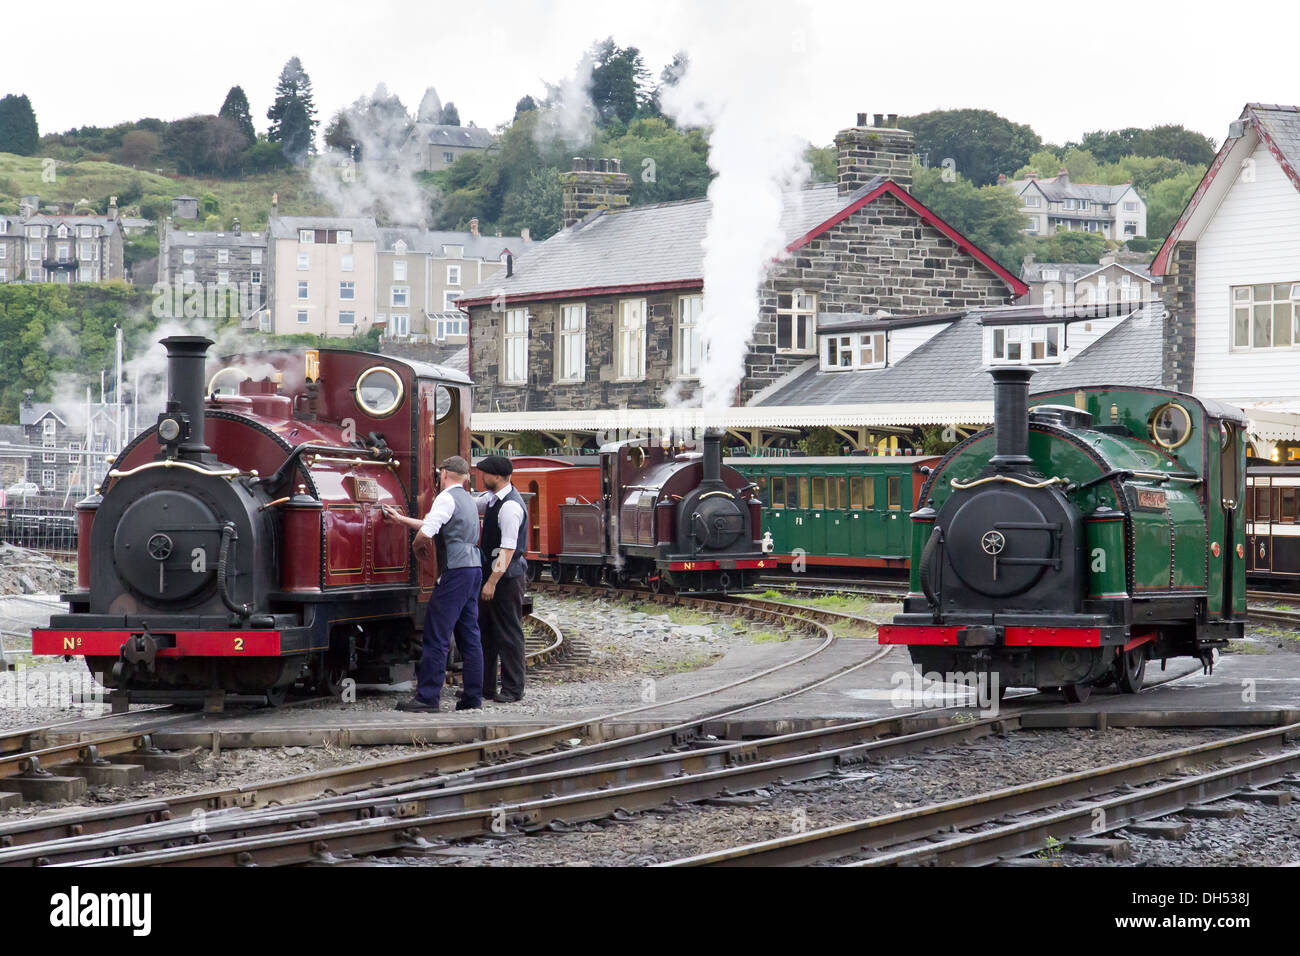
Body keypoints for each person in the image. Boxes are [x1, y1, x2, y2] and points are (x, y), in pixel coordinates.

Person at [381, 456, 484, 712]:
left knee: (437, 634)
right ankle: (473, 697)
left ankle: (427, 697)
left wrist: (417, 547)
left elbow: (427, 533)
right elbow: (435, 524)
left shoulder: (446, 497)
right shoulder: (468, 500)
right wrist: (401, 520)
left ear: (445, 474)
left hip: (455, 572)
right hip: (473, 569)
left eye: (439, 474)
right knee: (469, 635)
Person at [475, 455, 529, 703]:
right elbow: (475, 502)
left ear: (496, 476)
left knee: (508, 633)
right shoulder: (494, 499)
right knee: (487, 632)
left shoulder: (509, 507)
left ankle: (513, 689)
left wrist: (491, 582)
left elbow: (507, 550)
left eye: (484, 473)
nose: (481, 477)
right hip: (499, 575)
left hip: (506, 578)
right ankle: (486, 687)